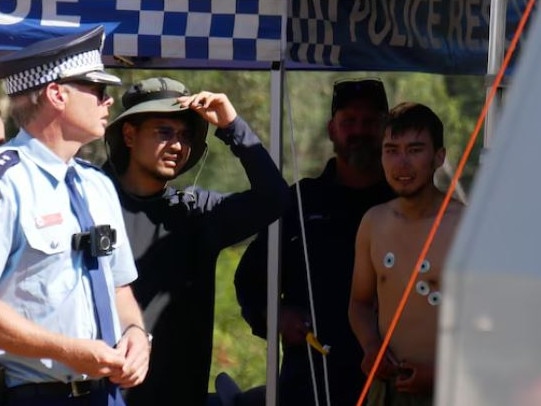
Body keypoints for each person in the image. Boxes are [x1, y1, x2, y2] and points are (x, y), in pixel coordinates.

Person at [101, 76, 290, 406]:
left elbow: (274, 198)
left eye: (185, 135)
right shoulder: (92, 205)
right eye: (164, 132)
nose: (177, 145)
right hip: (104, 396)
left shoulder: (196, 213)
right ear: (129, 135)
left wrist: (232, 125)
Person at [0, 26, 150, 406]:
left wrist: (135, 334)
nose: (108, 103)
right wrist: (69, 351)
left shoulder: (96, 184)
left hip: (108, 394)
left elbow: (119, 288)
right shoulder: (8, 183)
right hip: (34, 396)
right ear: (57, 94)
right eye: (99, 91)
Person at [234, 78, 396, 406]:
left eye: (370, 122)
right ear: (332, 129)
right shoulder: (299, 202)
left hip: (391, 378)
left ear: (386, 130)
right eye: (349, 121)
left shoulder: (405, 203)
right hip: (311, 377)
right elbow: (250, 280)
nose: (359, 131)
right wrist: (275, 314)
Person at [348, 102, 464, 405]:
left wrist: (442, 373)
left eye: (414, 150)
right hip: (388, 391)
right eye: (391, 150)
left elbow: (496, 323)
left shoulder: (467, 225)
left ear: (439, 157)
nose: (402, 163)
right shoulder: (374, 222)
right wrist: (372, 348)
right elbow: (359, 304)